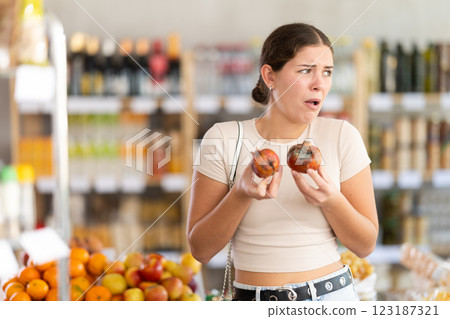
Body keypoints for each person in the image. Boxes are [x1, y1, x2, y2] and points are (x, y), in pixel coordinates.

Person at [187, 23, 378, 301]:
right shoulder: (224, 138)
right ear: (269, 76)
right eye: (305, 70)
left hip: (331, 298)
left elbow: (365, 244)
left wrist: (331, 200)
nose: (319, 83)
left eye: (327, 72)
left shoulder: (342, 136)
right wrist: (240, 193)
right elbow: (201, 250)